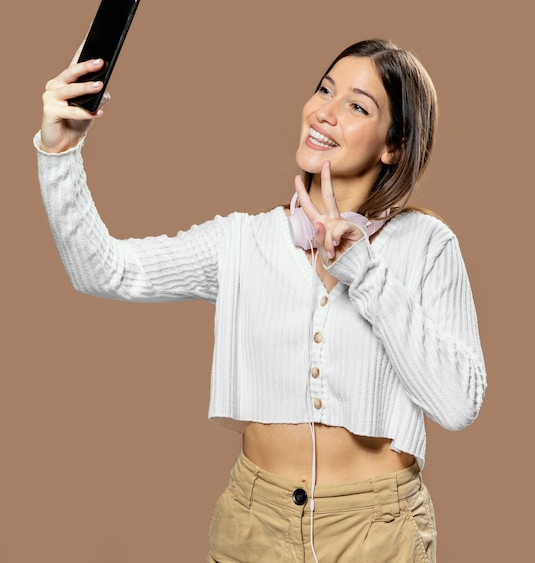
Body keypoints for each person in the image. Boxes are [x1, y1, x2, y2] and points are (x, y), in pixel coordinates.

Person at [35, 38, 486, 562]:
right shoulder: (242, 241)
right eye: (324, 90)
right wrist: (60, 153)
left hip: (379, 531)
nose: (326, 112)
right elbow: (103, 270)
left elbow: (458, 405)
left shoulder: (427, 246)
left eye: (357, 106)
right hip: (253, 524)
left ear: (394, 147)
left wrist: (365, 274)